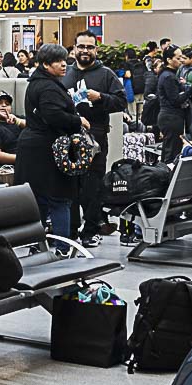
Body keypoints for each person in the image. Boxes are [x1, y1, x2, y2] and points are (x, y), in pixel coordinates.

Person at [15, 44, 87, 238]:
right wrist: (78, 120)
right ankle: (63, 247)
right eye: (58, 61)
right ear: (46, 65)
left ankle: (37, 246)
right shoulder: (48, 87)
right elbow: (54, 116)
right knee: (59, 199)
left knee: (39, 200)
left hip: (36, 148)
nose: (64, 65)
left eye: (65, 60)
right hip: (47, 149)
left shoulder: (39, 83)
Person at [66, 33, 126, 246]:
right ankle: (70, 232)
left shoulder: (106, 74)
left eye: (89, 47)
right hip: (66, 138)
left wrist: (100, 97)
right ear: (74, 48)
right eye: (81, 46)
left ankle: (90, 231)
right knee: (69, 187)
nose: (85, 51)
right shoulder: (64, 73)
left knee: (93, 185)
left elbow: (121, 102)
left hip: (97, 138)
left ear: (96, 50)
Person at [153, 46, 192, 148]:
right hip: (171, 118)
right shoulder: (168, 76)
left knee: (170, 149)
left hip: (170, 117)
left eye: (182, 58)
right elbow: (175, 100)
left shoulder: (168, 74)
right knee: (172, 151)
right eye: (178, 58)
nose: (181, 61)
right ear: (169, 60)